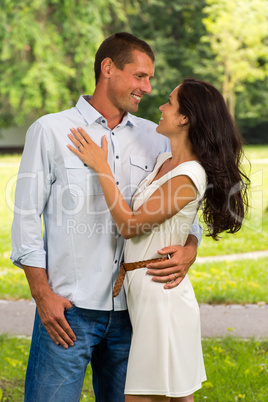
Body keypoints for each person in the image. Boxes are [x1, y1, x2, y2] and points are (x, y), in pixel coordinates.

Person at [11, 33, 202, 402]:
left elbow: (181, 208)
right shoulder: (51, 131)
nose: (147, 87)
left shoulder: (157, 137)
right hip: (69, 309)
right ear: (108, 68)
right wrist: (42, 294)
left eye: (150, 78)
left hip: (134, 312)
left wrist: (190, 248)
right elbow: (25, 219)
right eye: (140, 76)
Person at [67, 77, 249, 401]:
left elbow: (130, 225)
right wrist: (190, 246)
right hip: (148, 295)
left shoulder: (189, 176)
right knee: (172, 396)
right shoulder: (166, 162)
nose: (161, 107)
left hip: (161, 300)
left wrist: (101, 167)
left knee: (146, 396)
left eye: (169, 102)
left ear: (185, 118)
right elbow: (179, 224)